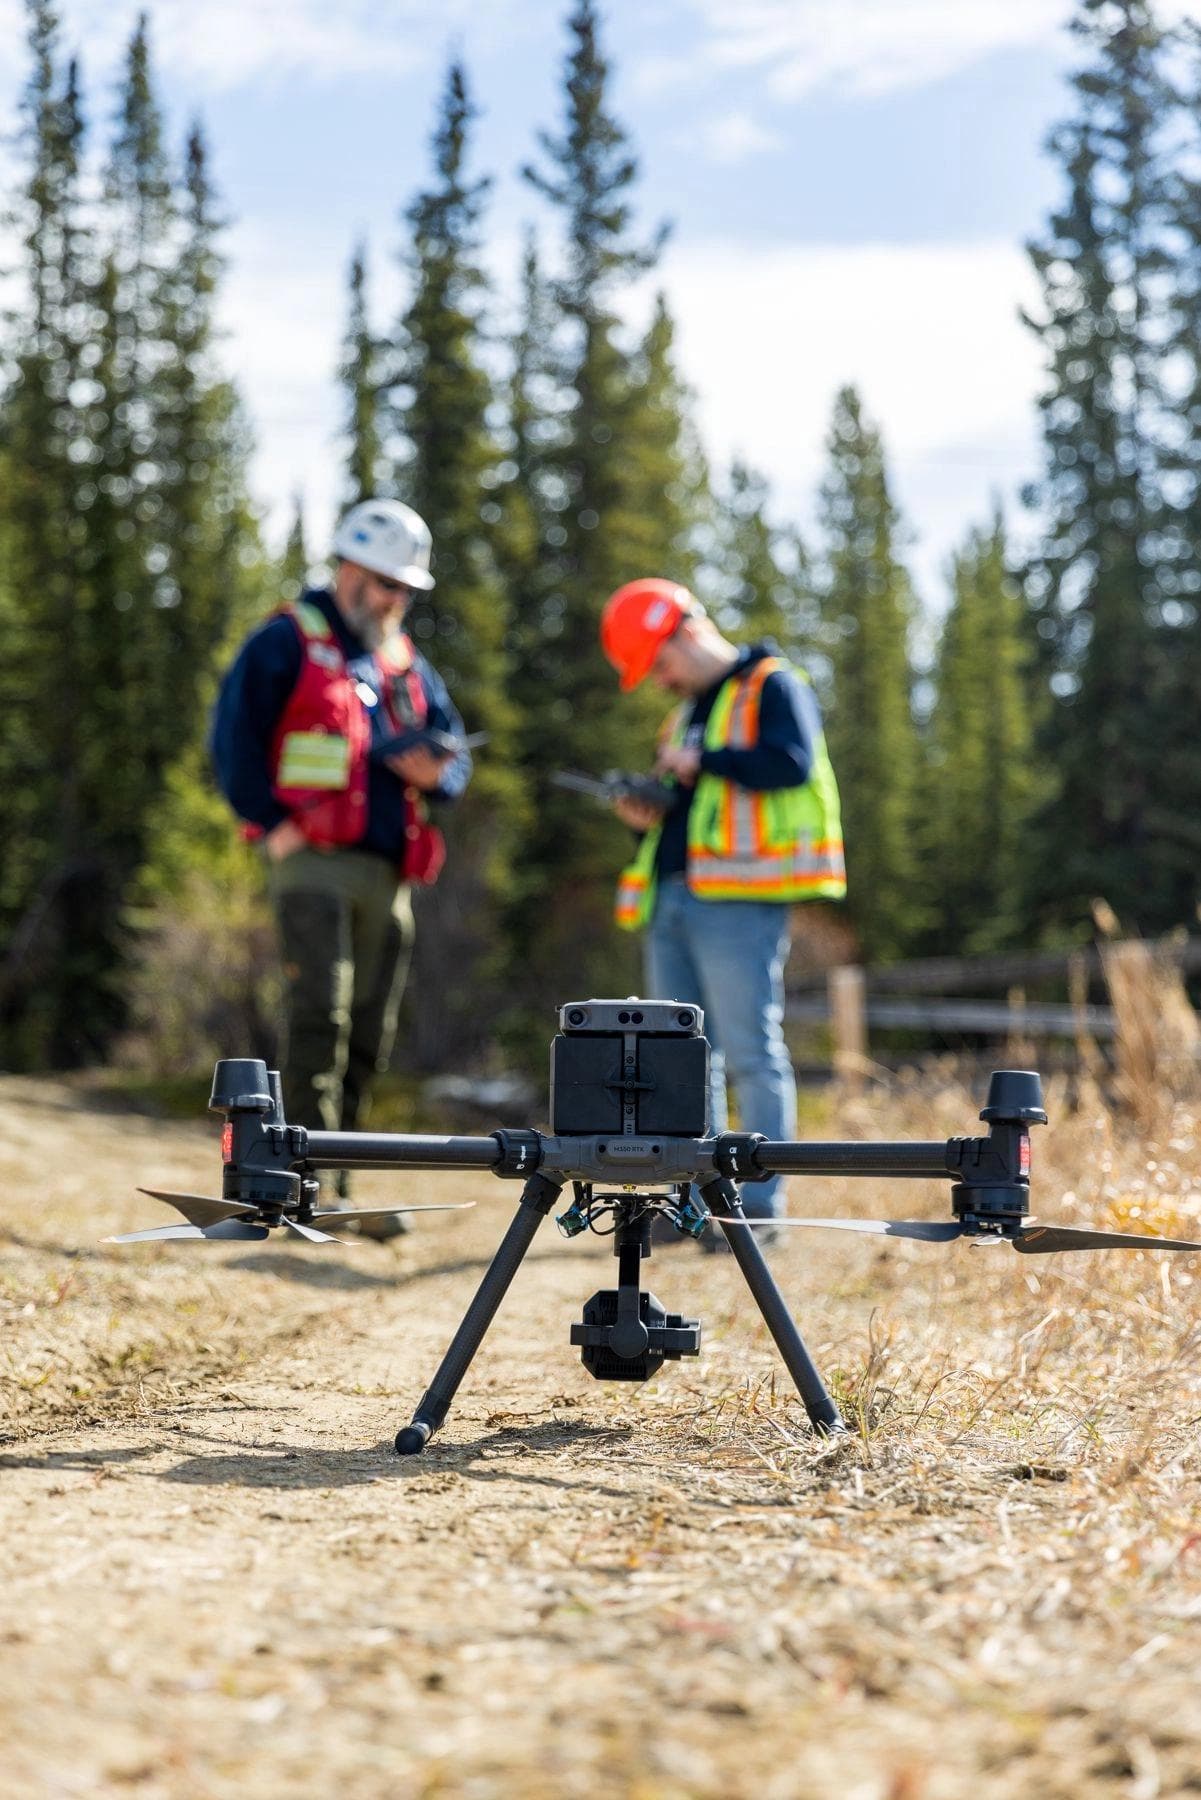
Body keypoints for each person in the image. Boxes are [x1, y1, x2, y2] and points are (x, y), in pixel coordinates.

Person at [211, 498, 471, 1236]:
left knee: (367, 1031)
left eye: (405, 591)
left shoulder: (406, 663)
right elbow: (232, 737)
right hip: (312, 863)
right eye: (385, 584)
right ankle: (299, 1188)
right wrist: (272, 824)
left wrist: (437, 775)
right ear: (348, 567)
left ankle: (342, 1186)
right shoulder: (286, 640)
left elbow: (455, 755)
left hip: (388, 877)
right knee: (317, 1018)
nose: (394, 600)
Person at [599, 578, 846, 1237]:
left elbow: (790, 764)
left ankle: (757, 1210)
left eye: (658, 663)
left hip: (740, 899)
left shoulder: (772, 685)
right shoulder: (682, 716)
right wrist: (643, 812)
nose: (660, 680)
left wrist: (703, 760)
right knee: (678, 1060)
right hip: (671, 898)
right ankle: (689, 1208)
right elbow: (690, 813)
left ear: (681, 631)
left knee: (748, 1050)